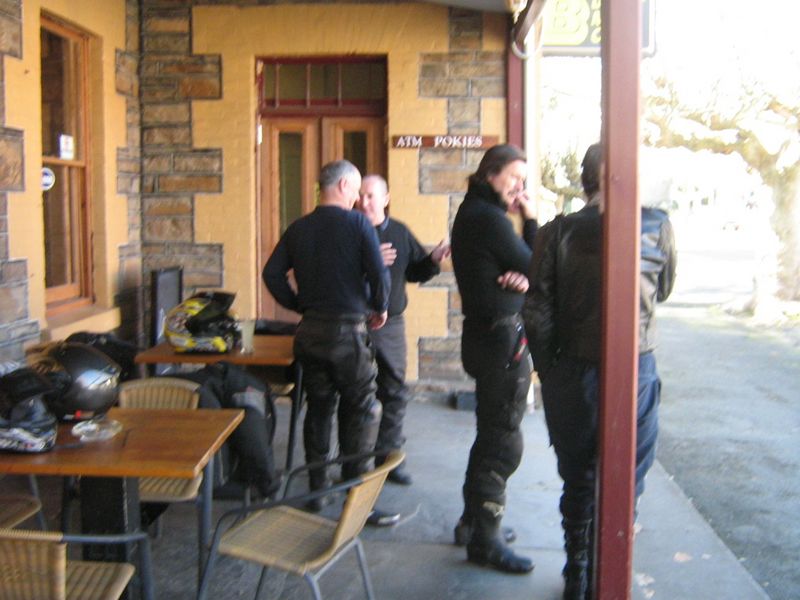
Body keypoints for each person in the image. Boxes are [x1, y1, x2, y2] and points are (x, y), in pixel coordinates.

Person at [523, 143, 677, 599]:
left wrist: (551, 372)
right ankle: (610, 571)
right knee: (629, 478)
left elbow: (537, 313)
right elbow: (664, 289)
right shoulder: (657, 226)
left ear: (585, 180)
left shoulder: (556, 232)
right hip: (636, 368)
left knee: (578, 476)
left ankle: (578, 572)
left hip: (573, 368)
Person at [262, 159, 398, 526]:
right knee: (363, 410)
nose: (358, 197)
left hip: (310, 333)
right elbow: (378, 273)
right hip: (348, 335)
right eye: (355, 188)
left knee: (319, 408)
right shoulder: (358, 224)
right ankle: (357, 498)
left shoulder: (298, 227)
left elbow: (271, 274)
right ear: (342, 186)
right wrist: (381, 307)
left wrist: (298, 304)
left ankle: (318, 490)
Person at [450, 144, 538, 574]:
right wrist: (532, 221)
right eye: (514, 177)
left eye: (523, 180)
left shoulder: (474, 213)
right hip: (499, 342)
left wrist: (524, 277)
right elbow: (540, 267)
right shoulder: (488, 219)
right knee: (502, 441)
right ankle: (485, 540)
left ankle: (473, 523)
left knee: (489, 433)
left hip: (484, 338)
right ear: (490, 174)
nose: (519, 187)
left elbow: (528, 270)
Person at [356, 174, 450, 485]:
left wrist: (433, 259)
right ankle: (353, 465)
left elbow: (414, 271)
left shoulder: (399, 231)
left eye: (371, 196)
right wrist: (369, 262)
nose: (364, 202)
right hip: (354, 323)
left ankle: (388, 460)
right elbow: (334, 276)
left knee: (394, 391)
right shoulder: (349, 230)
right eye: (360, 195)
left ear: (386, 199)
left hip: (391, 325)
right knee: (353, 393)